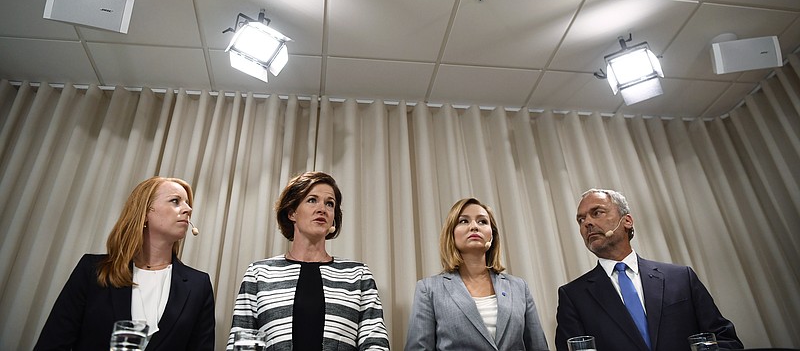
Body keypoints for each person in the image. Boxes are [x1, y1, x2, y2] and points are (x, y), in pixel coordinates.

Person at [34, 176, 215, 350]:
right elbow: (53, 342)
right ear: (144, 213)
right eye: (175, 201)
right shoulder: (93, 270)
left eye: (188, 203)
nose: (188, 209)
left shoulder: (199, 285)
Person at [555, 188, 743, 351]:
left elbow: (724, 339)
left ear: (627, 221)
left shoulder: (680, 278)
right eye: (580, 220)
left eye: (597, 213)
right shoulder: (573, 296)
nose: (586, 223)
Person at [227, 170, 390, 350]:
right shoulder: (259, 274)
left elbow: (375, 343)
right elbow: (244, 344)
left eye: (330, 204)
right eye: (312, 200)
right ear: (292, 213)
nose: (322, 208)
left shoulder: (358, 275)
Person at [405, 197, 550, 351]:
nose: (474, 226)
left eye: (482, 222)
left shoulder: (519, 287)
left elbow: (538, 346)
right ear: (451, 234)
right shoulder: (428, 289)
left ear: (492, 235)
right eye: (463, 221)